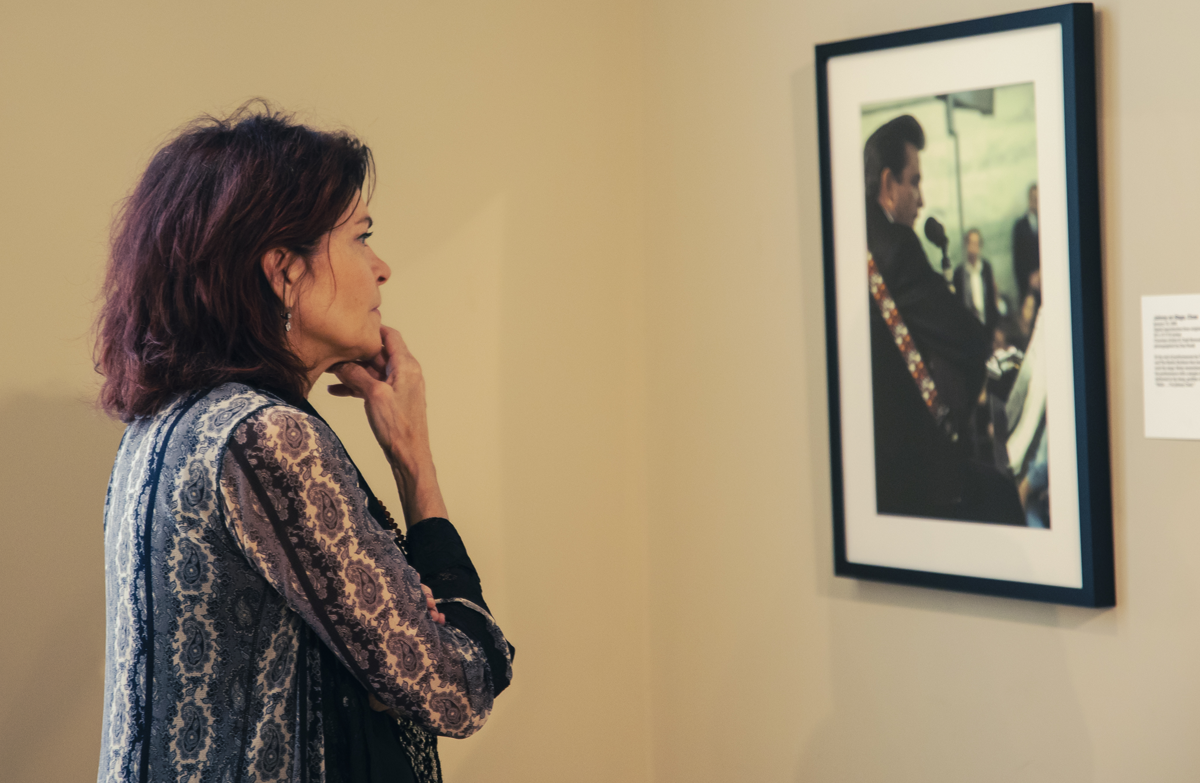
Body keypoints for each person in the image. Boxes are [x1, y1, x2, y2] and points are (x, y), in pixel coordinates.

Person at [94, 106, 514, 783]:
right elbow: (455, 684)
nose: (382, 268)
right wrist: (415, 462)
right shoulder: (269, 438)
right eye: (360, 237)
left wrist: (381, 660)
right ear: (283, 271)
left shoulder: (167, 424)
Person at [863, 114, 1023, 524]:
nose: (921, 197)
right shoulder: (896, 247)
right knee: (1003, 496)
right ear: (886, 185)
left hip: (868, 468)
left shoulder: (853, 239)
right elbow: (968, 337)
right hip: (912, 470)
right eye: (913, 181)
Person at [951, 228, 1001, 335]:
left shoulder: (986, 268)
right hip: (968, 329)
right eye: (971, 243)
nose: (974, 247)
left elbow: (992, 296)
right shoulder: (959, 273)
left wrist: (996, 325)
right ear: (966, 245)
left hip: (987, 324)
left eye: (976, 243)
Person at [1012, 183, 1040, 303]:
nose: (1035, 201)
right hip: (1028, 286)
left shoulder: (1048, 222)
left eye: (1037, 198)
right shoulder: (1020, 226)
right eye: (1033, 198)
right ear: (1029, 199)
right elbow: (1018, 259)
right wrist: (1028, 278)